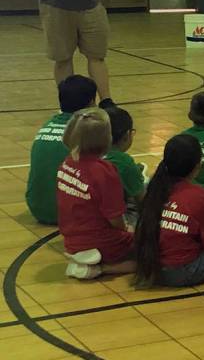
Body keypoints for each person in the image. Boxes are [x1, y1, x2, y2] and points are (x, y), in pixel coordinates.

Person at [134, 135, 204, 287]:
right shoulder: (199, 196)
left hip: (148, 266)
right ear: (198, 166)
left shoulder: (152, 187)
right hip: (180, 273)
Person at [58, 108, 135, 279]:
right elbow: (116, 219)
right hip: (104, 242)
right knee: (158, 253)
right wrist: (128, 230)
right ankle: (101, 268)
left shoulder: (67, 163)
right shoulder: (104, 171)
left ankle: (85, 261)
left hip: (72, 239)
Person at [26, 75, 96, 224]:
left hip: (38, 209)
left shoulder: (47, 125)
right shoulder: (86, 131)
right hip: (69, 214)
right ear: (91, 103)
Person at [104, 106, 146, 226]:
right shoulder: (123, 162)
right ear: (127, 135)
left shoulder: (85, 150)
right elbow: (143, 203)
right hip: (108, 225)